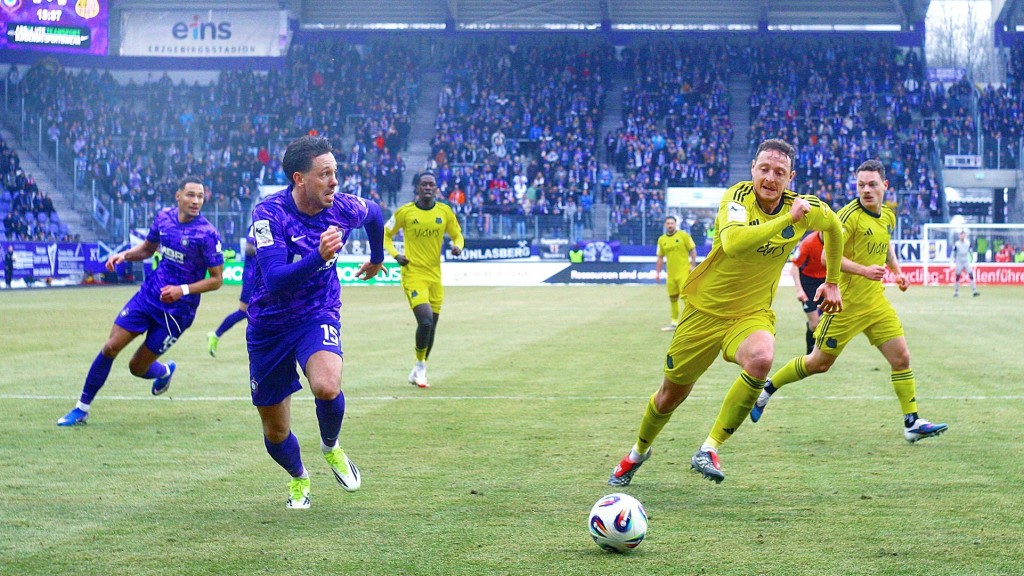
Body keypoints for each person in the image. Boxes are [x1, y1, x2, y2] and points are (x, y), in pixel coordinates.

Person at [607, 138, 844, 486]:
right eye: (764, 169)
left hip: (750, 314)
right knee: (670, 396)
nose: (770, 178)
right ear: (753, 169)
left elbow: (834, 227)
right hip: (704, 312)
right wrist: (786, 221)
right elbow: (733, 244)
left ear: (790, 177)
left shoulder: (804, 207)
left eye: (780, 172)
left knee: (762, 358)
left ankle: (709, 448)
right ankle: (638, 452)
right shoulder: (737, 198)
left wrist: (833, 281)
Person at [752, 160, 948, 444]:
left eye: (872, 184)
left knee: (901, 358)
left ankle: (911, 422)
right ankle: (768, 388)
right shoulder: (848, 216)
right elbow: (825, 257)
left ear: (885, 186)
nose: (866, 190)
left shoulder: (887, 216)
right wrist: (864, 270)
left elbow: (886, 245)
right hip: (843, 306)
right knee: (818, 363)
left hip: (876, 304)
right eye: (861, 185)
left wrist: (897, 272)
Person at [247, 135, 384, 509]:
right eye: (325, 174)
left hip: (316, 312)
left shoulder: (343, 207)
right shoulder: (268, 214)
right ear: (299, 178)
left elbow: (375, 213)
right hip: (269, 325)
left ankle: (331, 446)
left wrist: (377, 257)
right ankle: (299, 477)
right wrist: (318, 256)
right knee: (276, 431)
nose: (334, 181)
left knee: (326, 385)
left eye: (335, 172)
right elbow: (274, 279)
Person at [57, 176, 224, 426]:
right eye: (191, 195)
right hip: (149, 296)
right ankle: (81, 409)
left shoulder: (207, 234)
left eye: (200, 196)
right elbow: (147, 249)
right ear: (178, 196)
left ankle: (164, 371)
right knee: (110, 347)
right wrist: (124, 255)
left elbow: (217, 279)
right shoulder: (163, 218)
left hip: (177, 313)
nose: (196, 201)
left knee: (137, 367)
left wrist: (182, 290)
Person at [385, 171, 465, 389]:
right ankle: (420, 369)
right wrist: (396, 255)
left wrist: (458, 247)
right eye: (424, 184)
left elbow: (458, 235)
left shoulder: (444, 212)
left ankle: (419, 366)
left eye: (431, 184)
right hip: (413, 275)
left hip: (435, 277)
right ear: (417, 188)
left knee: (432, 326)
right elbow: (386, 235)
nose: (428, 187)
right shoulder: (405, 212)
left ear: (436, 189)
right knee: (426, 321)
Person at [207, 235, 256, 357]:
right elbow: (249, 248)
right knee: (243, 311)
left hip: (264, 277)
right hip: (252, 277)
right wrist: (268, 250)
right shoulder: (255, 226)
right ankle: (216, 335)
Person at [655, 216, 697, 331]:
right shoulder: (661, 240)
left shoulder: (683, 235)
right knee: (673, 298)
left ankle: (693, 322)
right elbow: (660, 257)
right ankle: (674, 323)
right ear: (665, 225)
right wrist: (658, 273)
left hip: (683, 273)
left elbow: (693, 250)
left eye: (672, 223)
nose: (670, 225)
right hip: (671, 275)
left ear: (675, 224)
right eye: (668, 223)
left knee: (686, 298)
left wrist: (693, 265)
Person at [789, 231, 827, 353]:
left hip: (826, 281)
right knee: (814, 324)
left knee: (826, 322)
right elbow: (794, 267)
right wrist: (799, 290)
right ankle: (810, 354)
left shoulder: (837, 241)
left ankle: (820, 353)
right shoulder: (808, 243)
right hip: (808, 283)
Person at [951, 230, 979, 297]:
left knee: (971, 274)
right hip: (959, 261)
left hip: (966, 261)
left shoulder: (968, 243)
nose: (962, 236)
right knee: (958, 276)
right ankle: (956, 292)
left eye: (963, 235)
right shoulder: (957, 244)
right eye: (961, 235)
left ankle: (974, 291)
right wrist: (952, 260)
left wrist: (973, 258)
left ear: (965, 235)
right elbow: (954, 253)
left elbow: (970, 251)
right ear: (959, 236)